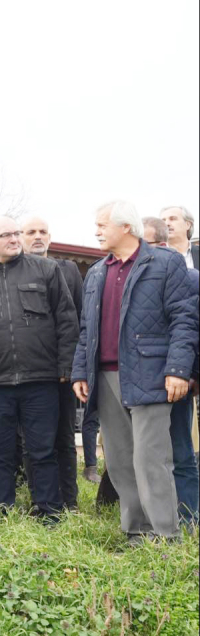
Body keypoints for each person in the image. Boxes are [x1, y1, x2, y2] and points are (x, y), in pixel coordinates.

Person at [72, 201, 197, 543]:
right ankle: (137, 532)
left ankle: (166, 535)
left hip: (151, 373)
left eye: (102, 225)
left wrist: (178, 369)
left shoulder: (165, 262)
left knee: (151, 458)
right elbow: (87, 329)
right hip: (105, 376)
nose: (97, 231)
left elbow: (184, 319)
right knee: (120, 459)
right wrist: (81, 371)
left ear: (125, 227)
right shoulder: (97, 271)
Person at [0, 216, 79, 521]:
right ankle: (1, 510)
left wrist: (66, 366)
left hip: (41, 378)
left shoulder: (46, 271)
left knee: (43, 449)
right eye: (5, 235)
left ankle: (48, 511)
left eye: (15, 233)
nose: (13, 239)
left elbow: (67, 320)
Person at [20, 216, 82, 510]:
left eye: (42, 231)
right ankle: (40, 499)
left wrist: (71, 366)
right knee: (33, 439)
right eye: (31, 232)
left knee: (65, 436)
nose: (37, 236)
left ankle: (69, 499)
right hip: (30, 370)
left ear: (49, 236)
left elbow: (78, 318)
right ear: (20, 237)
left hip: (63, 369)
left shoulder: (68, 270)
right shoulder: (13, 271)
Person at [143, 216, 200, 525]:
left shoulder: (191, 279)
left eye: (145, 244)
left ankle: (188, 517)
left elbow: (193, 330)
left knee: (181, 451)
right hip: (141, 381)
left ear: (161, 245)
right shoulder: (130, 280)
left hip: (178, 380)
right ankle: (153, 518)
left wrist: (193, 374)